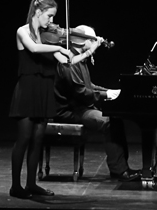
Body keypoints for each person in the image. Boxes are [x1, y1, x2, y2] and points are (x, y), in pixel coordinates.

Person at [53, 25, 140, 181]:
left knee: (116, 119)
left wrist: (110, 91)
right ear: (82, 41)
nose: (95, 44)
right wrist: (106, 94)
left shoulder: (81, 60)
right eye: (92, 40)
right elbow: (80, 92)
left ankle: (121, 167)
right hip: (71, 111)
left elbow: (89, 86)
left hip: (82, 108)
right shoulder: (68, 62)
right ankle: (119, 171)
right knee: (107, 122)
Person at [8, 0, 74, 199]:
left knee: (37, 140)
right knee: (24, 138)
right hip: (28, 89)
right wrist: (59, 47)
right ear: (38, 12)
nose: (52, 21)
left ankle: (31, 184)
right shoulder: (23, 31)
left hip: (44, 89)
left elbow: (65, 61)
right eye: (49, 16)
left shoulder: (47, 36)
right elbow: (34, 48)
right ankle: (16, 186)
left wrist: (85, 51)